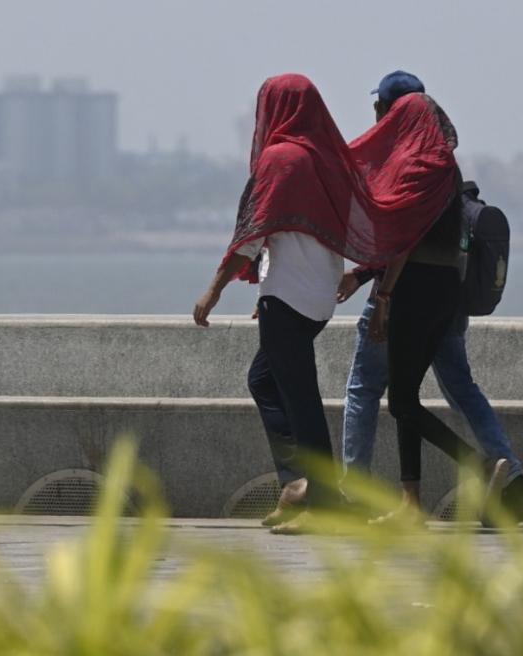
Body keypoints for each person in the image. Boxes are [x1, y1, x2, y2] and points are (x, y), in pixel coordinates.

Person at [194, 73, 457, 534]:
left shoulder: (280, 158)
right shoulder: (325, 157)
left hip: (288, 297)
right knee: (264, 380)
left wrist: (214, 289)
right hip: (318, 296)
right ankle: (297, 483)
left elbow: (254, 233)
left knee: (299, 397)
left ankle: (321, 501)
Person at [341, 71, 523, 525]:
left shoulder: (409, 164)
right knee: (429, 391)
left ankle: (484, 470)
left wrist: (383, 295)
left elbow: (403, 237)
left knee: (383, 395)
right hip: (445, 293)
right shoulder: (444, 165)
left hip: (409, 291)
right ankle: (466, 491)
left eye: (383, 108)